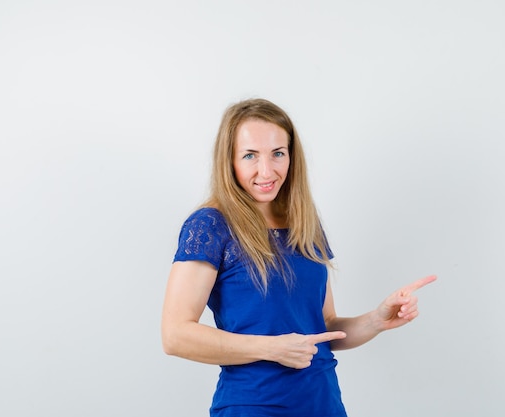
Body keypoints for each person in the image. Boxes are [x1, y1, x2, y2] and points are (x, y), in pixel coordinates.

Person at [161, 98, 436, 417]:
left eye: (278, 153)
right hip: (254, 406)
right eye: (250, 155)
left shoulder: (304, 221)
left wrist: (376, 319)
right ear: (230, 160)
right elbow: (175, 335)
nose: (267, 170)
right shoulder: (210, 225)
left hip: (323, 403)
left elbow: (325, 326)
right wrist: (271, 348)